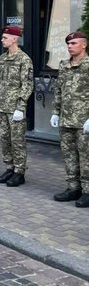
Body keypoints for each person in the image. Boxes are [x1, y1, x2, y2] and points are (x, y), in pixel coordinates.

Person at [50, 30, 89, 208]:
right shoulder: (64, 65)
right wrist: (55, 112)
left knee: (86, 157)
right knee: (69, 155)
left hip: (84, 121)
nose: (70, 47)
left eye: (73, 44)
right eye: (68, 44)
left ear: (84, 45)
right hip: (66, 119)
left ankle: (87, 191)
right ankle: (73, 187)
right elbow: (58, 90)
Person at [0, 25, 33, 187]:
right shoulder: (2, 58)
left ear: (14, 39)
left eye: (5, 38)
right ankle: (9, 167)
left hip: (15, 108)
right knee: (4, 139)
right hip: (2, 105)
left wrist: (20, 107)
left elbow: (27, 85)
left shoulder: (24, 59)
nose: (2, 40)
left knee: (17, 141)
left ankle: (19, 172)